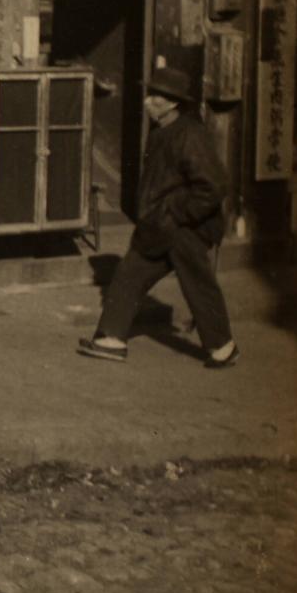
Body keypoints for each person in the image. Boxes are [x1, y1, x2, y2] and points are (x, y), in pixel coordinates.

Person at [78, 66, 238, 368]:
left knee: (196, 284)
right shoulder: (162, 131)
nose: (148, 101)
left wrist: (176, 211)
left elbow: (215, 185)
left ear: (174, 103)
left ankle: (222, 347)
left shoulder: (189, 134)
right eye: (149, 94)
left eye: (156, 97)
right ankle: (111, 338)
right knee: (131, 273)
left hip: (181, 227)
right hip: (160, 224)